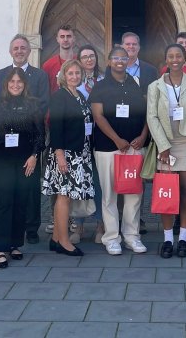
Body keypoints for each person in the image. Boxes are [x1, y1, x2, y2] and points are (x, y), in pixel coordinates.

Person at [147, 44, 186, 259]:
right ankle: (167, 240)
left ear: (184, 58)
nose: (174, 59)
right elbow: (151, 117)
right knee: (167, 192)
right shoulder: (155, 86)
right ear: (166, 59)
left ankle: (183, 238)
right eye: (170, 56)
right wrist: (162, 146)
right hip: (166, 144)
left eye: (178, 56)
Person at [0, 34, 50, 244]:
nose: (19, 51)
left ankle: (31, 227)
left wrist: (25, 119)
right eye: (15, 48)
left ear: (29, 51)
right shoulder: (1, 76)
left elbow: (43, 103)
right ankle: (7, 232)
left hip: (30, 136)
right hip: (6, 142)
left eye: (23, 48)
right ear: (10, 51)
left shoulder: (40, 75)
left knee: (30, 187)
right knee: (6, 193)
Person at [91, 46, 150, 255]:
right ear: (108, 61)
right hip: (109, 148)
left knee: (134, 194)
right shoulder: (100, 86)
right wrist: (117, 140)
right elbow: (98, 116)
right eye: (115, 57)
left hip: (134, 148)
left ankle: (132, 236)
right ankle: (111, 237)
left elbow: (147, 113)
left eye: (123, 58)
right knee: (110, 195)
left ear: (129, 60)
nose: (120, 61)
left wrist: (143, 137)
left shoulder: (135, 84)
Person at [0, 67, 45, 267]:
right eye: (12, 82)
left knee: (21, 201)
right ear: (6, 84)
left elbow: (40, 133)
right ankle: (0, 249)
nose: (15, 85)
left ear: (25, 84)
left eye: (19, 82)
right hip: (3, 159)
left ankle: (14, 244)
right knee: (4, 202)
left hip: (26, 160)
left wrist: (34, 156)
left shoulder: (34, 104)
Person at [44, 59, 95, 256]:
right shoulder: (60, 96)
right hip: (65, 154)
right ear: (63, 76)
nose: (74, 76)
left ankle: (56, 238)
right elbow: (55, 127)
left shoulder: (79, 95)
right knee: (64, 197)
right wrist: (60, 155)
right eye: (70, 73)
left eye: (77, 73)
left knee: (63, 197)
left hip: (79, 153)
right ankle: (65, 241)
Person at [71, 44, 104, 244]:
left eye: (92, 56)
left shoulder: (103, 80)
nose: (89, 60)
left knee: (99, 182)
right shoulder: (74, 81)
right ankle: (79, 225)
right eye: (85, 57)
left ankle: (100, 225)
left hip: (100, 137)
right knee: (80, 180)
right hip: (79, 139)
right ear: (79, 60)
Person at [42, 25, 77, 93]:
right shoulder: (48, 65)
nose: (65, 39)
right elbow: (45, 91)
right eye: (62, 36)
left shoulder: (80, 62)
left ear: (74, 39)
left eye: (69, 36)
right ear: (57, 39)